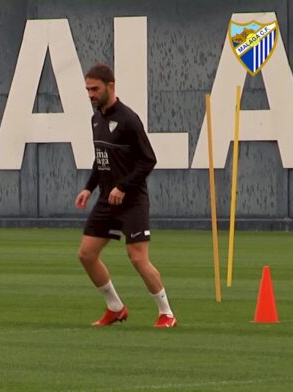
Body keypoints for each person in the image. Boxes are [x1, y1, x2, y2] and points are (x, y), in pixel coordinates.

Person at [75, 64, 177, 328]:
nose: (90, 94)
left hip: (132, 200)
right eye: (87, 89)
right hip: (107, 200)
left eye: (95, 89)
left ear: (111, 86)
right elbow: (101, 159)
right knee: (86, 254)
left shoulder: (129, 120)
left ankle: (166, 313)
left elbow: (148, 160)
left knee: (137, 257)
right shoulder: (95, 118)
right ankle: (115, 308)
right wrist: (88, 187)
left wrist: (123, 186)